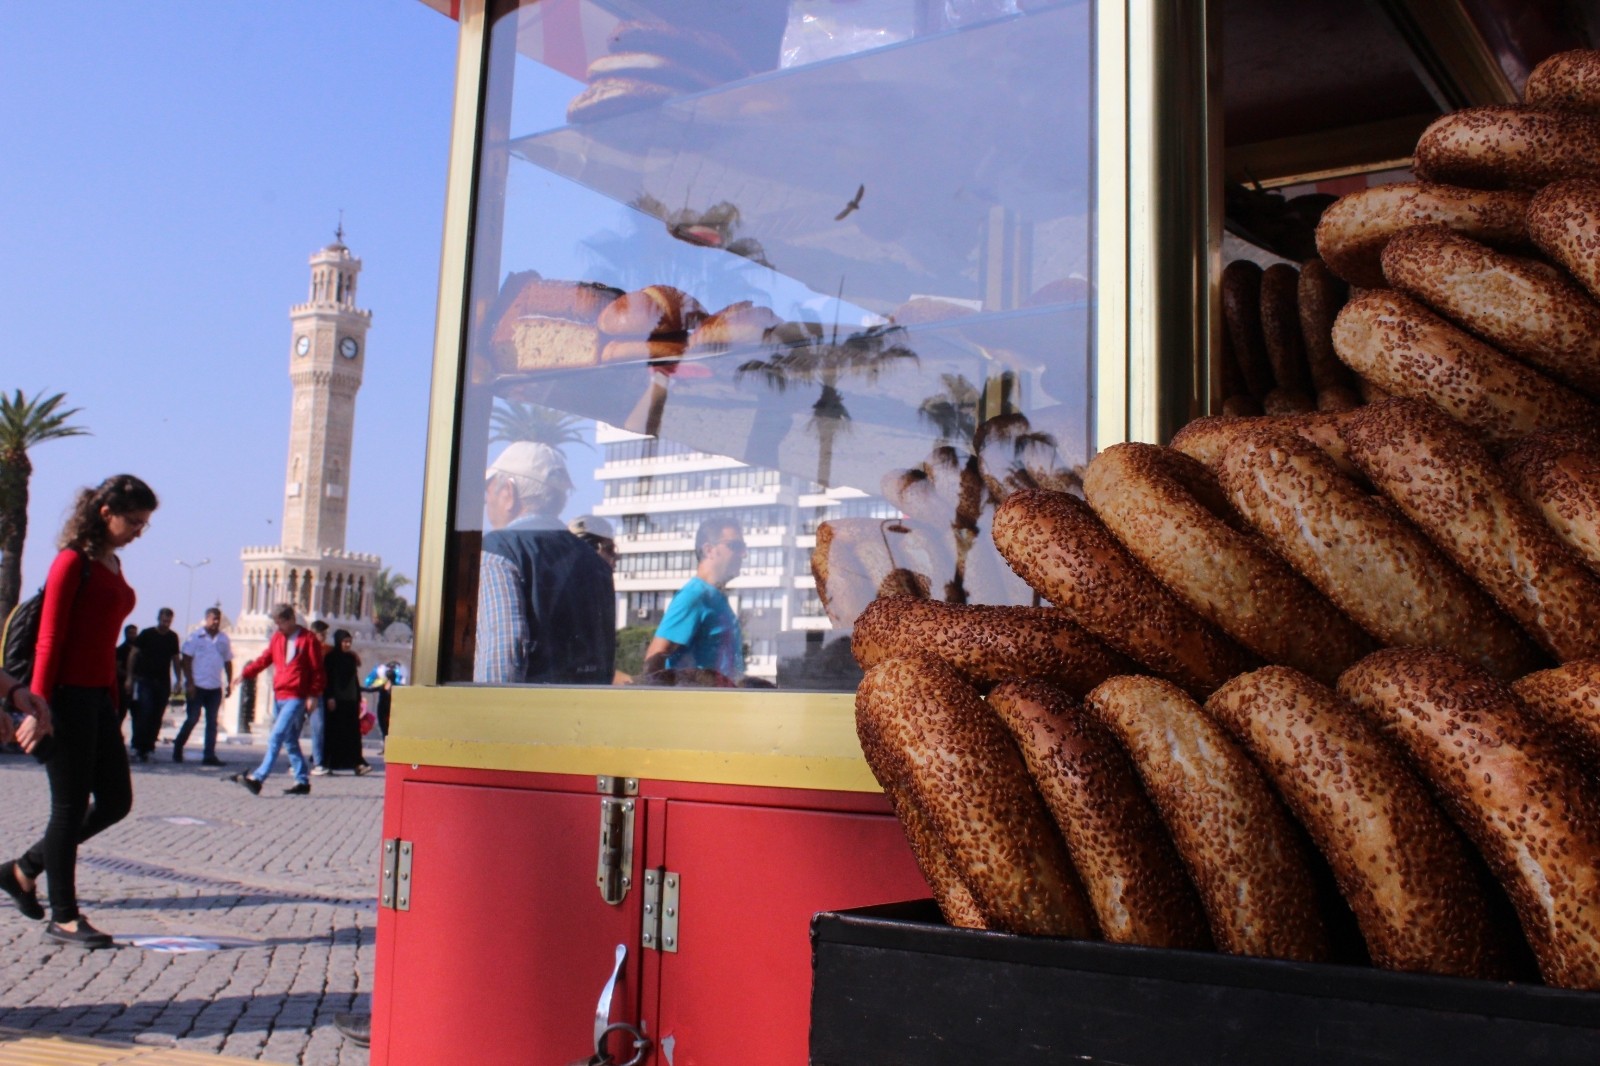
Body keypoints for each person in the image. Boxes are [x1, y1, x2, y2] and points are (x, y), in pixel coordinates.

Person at [2, 473, 156, 948]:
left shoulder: (111, 562)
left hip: (97, 699)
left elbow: (102, 642)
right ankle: (64, 916)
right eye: (133, 521)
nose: (138, 531)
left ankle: (22, 869)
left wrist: (113, 701)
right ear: (104, 513)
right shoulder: (72, 561)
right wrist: (39, 706)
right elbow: (50, 637)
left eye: (145, 524)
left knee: (115, 801)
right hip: (63, 698)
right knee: (67, 808)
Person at [474, 441, 616, 684]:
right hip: (583, 715)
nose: (487, 505)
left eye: (489, 494)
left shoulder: (499, 550)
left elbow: (504, 649)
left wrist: (489, 717)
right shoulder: (596, 564)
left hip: (525, 716)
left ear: (509, 493)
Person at [230, 604, 325, 796]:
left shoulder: (308, 640)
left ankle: (258, 778)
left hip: (296, 696)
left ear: (291, 619)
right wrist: (245, 674)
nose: (278, 627)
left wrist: (313, 694)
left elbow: (317, 671)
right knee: (289, 740)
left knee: (276, 736)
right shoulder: (277, 639)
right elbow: (265, 659)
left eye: (280, 623)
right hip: (279, 694)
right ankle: (302, 780)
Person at [643, 516, 746, 680]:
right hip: (697, 703)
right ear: (709, 550)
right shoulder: (693, 596)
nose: (744, 554)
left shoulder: (716, 598)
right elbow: (654, 661)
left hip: (726, 702)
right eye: (735, 546)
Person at [175, 607, 232, 766]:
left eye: (218, 619)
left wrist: (229, 682)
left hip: (214, 686)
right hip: (197, 685)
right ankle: (178, 745)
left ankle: (209, 755)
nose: (216, 622)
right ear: (207, 618)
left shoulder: (223, 639)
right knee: (193, 718)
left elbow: (228, 660)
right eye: (213, 618)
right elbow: (186, 659)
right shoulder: (195, 637)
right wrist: (189, 682)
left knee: (212, 721)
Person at [125, 607, 180, 763]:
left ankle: (149, 747)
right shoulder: (147, 634)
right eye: (164, 620)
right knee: (144, 713)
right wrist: (130, 677)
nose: (166, 623)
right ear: (158, 619)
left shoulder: (172, 637)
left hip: (163, 681)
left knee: (157, 715)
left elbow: (175, 659)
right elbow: (133, 655)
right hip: (145, 680)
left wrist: (179, 679)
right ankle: (137, 746)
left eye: (169, 621)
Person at [320, 629, 371, 775]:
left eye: (349, 642)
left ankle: (357, 764)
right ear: (338, 641)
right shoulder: (330, 658)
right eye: (345, 642)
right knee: (334, 733)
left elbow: (354, 680)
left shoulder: (351, 658)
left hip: (350, 701)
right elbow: (328, 679)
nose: (348, 644)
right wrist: (329, 696)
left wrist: (359, 698)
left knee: (353, 735)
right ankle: (329, 763)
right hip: (336, 702)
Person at [307, 618, 330, 774]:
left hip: (317, 694)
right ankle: (295, 763)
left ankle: (318, 762)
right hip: (301, 693)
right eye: (322, 634)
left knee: (318, 727)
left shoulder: (326, 650)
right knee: (293, 729)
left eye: (325, 634)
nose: (324, 637)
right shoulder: (304, 648)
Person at [113, 624, 138, 717]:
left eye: (134, 633)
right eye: (130, 633)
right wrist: (130, 676)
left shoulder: (139, 651)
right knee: (121, 713)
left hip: (137, 686)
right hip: (123, 686)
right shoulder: (120, 650)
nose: (133, 635)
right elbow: (117, 668)